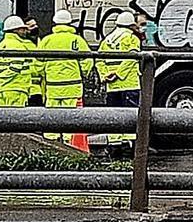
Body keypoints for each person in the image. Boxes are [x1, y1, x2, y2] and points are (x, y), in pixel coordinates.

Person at [38, 10, 93, 143]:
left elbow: (38, 61)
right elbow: (87, 61)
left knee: (51, 116)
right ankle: (68, 144)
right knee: (71, 116)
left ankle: (51, 143)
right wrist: (84, 73)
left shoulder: (47, 40)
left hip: (52, 86)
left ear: (55, 22)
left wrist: (43, 74)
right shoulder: (77, 40)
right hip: (72, 86)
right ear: (70, 23)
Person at [98, 11, 142, 154]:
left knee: (114, 116)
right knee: (130, 116)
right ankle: (130, 146)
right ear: (131, 25)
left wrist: (105, 75)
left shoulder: (107, 40)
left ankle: (114, 145)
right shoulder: (132, 38)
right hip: (129, 84)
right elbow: (132, 58)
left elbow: (99, 60)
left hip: (111, 86)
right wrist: (118, 74)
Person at [0, 16, 38, 108]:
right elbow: (16, 67)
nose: (25, 31)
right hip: (17, 88)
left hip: (1, 89)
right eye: (22, 29)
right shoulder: (18, 46)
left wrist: (0, 79)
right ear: (15, 30)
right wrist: (6, 79)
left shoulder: (0, 45)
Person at [22, 18, 44, 106]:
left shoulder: (41, 42)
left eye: (35, 25)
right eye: (31, 26)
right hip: (28, 88)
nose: (35, 27)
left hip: (42, 88)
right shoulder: (22, 45)